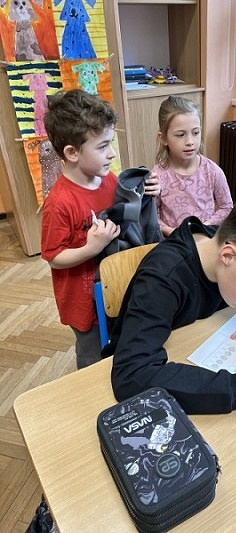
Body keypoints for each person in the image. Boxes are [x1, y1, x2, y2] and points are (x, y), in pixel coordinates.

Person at [104, 192, 236, 414]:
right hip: (129, 361)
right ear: (228, 256)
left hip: (192, 345)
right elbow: (132, 375)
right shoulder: (162, 278)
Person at [41, 89, 160, 369]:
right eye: (103, 146)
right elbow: (54, 257)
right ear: (72, 153)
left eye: (111, 142)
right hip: (83, 303)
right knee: (92, 356)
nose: (112, 153)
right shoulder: (59, 203)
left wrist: (146, 192)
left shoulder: (108, 180)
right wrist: (90, 248)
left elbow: (129, 215)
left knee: (118, 342)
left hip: (115, 286)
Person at [153, 95, 233, 237]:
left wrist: (204, 227)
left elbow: (226, 207)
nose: (190, 141)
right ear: (164, 138)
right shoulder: (157, 176)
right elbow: (151, 216)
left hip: (206, 239)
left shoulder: (212, 171)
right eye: (180, 135)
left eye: (195, 133)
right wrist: (172, 232)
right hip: (173, 242)